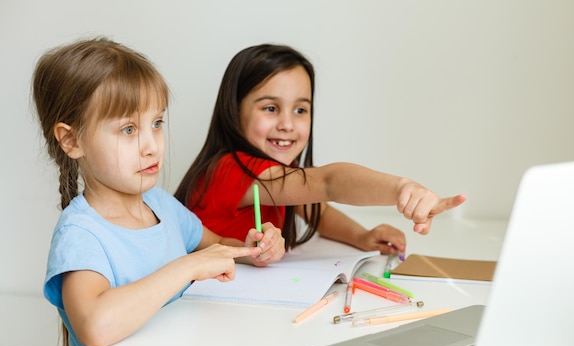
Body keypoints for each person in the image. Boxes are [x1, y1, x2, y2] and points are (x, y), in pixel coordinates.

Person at [32, 38, 285, 346]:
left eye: (157, 123)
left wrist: (254, 249)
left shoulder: (161, 205)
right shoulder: (80, 234)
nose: (152, 145)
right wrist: (186, 267)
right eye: (128, 129)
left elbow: (217, 244)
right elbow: (95, 325)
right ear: (71, 140)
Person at [175, 44, 465, 254]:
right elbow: (328, 183)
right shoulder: (231, 170)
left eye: (301, 109)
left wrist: (362, 236)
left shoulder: (275, 176)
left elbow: (319, 213)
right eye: (271, 108)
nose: (288, 124)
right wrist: (402, 188)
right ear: (233, 110)